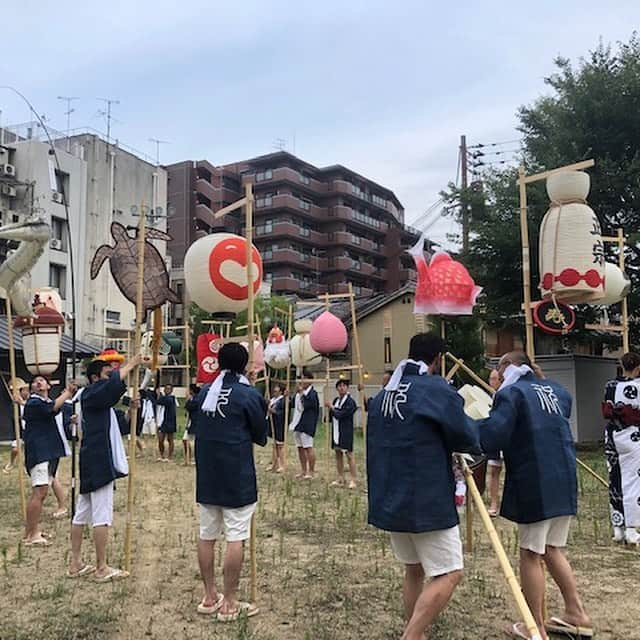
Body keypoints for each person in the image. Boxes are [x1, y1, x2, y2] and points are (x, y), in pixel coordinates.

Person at [367, 333, 480, 640]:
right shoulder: (434, 389)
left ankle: (414, 631)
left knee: (414, 568)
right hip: (424, 496)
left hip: (390, 492)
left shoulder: (385, 394)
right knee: (450, 571)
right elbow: (465, 435)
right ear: (439, 360)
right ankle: (411, 636)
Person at [479, 351, 591, 640]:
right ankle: (576, 613)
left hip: (535, 477)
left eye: (499, 367)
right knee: (553, 548)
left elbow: (493, 435)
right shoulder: (557, 390)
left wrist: (469, 428)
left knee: (531, 553)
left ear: (508, 367)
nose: (497, 374)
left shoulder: (512, 394)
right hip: (562, 476)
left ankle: (535, 627)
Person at [194, 342, 268, 621]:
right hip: (236, 475)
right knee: (236, 537)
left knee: (207, 535)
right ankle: (230, 602)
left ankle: (209, 595)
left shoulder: (204, 393)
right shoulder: (247, 394)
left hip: (208, 474)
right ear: (245, 364)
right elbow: (261, 436)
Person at [68, 353, 142, 581]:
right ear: (94, 378)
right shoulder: (90, 394)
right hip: (98, 460)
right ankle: (101, 567)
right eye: (107, 375)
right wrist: (131, 364)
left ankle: (76, 563)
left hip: (93, 458)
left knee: (82, 512)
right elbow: (110, 388)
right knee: (101, 515)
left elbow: (121, 426)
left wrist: (132, 410)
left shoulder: (101, 404)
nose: (111, 379)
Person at [22, 376, 76, 545]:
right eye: (34, 381)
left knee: (42, 492)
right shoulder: (34, 402)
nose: (38, 383)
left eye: (41, 380)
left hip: (49, 452)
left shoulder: (46, 402)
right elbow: (51, 408)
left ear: (48, 385)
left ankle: (32, 531)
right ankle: (32, 535)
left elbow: (55, 409)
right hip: (40, 452)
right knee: (39, 492)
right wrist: (67, 392)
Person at [602, 351, 640, 546]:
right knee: (633, 480)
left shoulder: (610, 386)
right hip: (633, 436)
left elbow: (608, 410)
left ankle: (618, 528)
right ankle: (632, 529)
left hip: (612, 435)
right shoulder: (638, 386)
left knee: (615, 477)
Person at [326, 379, 358, 489]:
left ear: (347, 387)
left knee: (349, 455)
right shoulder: (336, 400)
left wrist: (332, 408)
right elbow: (332, 416)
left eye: (344, 385)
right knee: (338, 454)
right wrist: (329, 409)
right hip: (336, 430)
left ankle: (353, 479)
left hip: (346, 431)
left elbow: (341, 414)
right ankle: (340, 477)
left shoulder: (350, 402)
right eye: (339, 386)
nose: (341, 388)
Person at [291, 373, 319, 480]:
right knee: (300, 448)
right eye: (301, 379)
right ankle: (303, 470)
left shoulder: (313, 393)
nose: (302, 381)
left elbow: (308, 404)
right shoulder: (299, 394)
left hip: (307, 423)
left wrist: (302, 393)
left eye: (304, 378)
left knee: (308, 447)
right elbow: (293, 404)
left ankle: (311, 471)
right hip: (297, 422)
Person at [486, 368, 503, 517]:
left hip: (507, 437)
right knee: (493, 471)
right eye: (490, 378)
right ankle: (493, 503)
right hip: (495, 437)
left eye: (494, 378)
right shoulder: (492, 395)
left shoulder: (507, 393)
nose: (492, 381)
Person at [267, 382, 286, 473]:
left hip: (279, 425)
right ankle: (274, 464)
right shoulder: (273, 399)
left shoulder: (283, 400)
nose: (275, 389)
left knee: (280, 445)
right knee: (274, 445)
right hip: (273, 424)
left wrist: (273, 411)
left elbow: (282, 413)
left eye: (277, 388)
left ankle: (282, 465)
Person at [156, 384, 178, 462]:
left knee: (170, 439)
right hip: (162, 421)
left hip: (170, 421)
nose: (167, 390)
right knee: (161, 439)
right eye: (166, 388)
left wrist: (159, 395)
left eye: (169, 389)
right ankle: (162, 455)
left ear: (171, 390)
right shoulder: (164, 397)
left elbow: (160, 401)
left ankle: (170, 456)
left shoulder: (171, 398)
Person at [183, 383, 200, 465]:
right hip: (190, 422)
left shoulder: (197, 399)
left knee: (195, 441)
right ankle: (188, 457)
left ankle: (194, 458)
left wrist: (188, 400)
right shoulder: (193, 399)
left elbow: (188, 406)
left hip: (196, 423)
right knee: (185, 440)